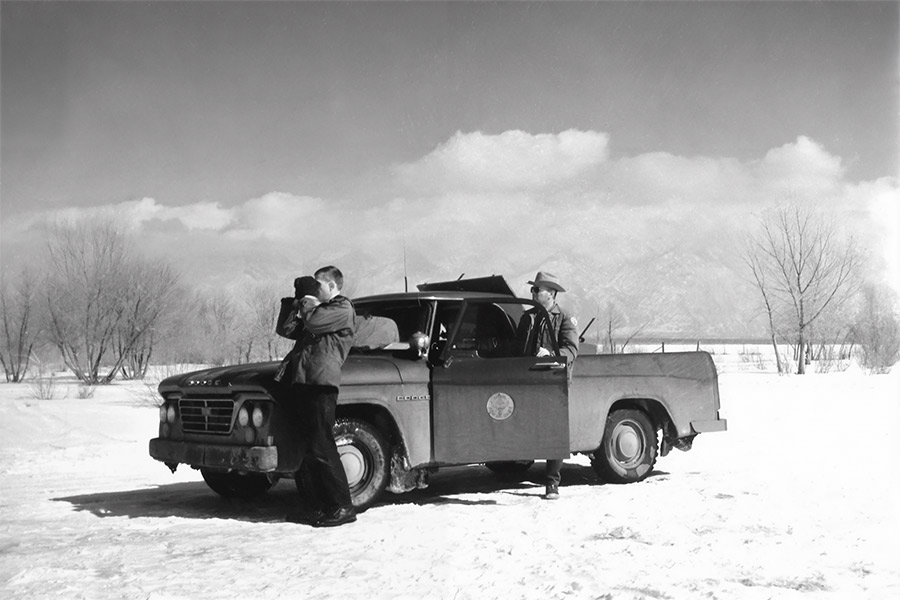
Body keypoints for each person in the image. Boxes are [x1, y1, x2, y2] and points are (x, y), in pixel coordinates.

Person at [275, 266, 357, 527]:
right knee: (310, 449)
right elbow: (286, 330)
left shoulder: (342, 308)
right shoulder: (316, 309)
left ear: (332, 286)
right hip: (304, 382)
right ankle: (321, 506)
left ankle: (342, 506)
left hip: (321, 384)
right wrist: (294, 302)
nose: (314, 288)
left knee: (322, 446)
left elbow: (313, 323)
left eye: (317, 284)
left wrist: (308, 302)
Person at [517, 271, 579, 500]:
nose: (532, 293)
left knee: (555, 430)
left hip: (555, 380)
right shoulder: (529, 317)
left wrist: (551, 354)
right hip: (530, 380)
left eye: (537, 289)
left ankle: (552, 482)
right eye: (533, 289)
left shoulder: (564, 318)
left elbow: (571, 350)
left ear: (551, 293)